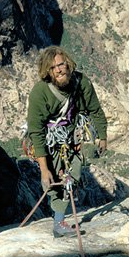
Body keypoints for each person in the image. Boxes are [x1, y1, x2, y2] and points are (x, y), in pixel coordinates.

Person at [27, 46, 107, 238]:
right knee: (56, 180)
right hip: (49, 141)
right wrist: (44, 170)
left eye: (61, 64)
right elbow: (36, 131)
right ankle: (58, 224)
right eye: (53, 67)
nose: (59, 70)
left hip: (71, 137)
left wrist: (102, 136)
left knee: (74, 175)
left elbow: (94, 109)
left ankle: (59, 222)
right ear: (47, 72)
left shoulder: (81, 83)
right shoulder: (40, 92)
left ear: (68, 63)